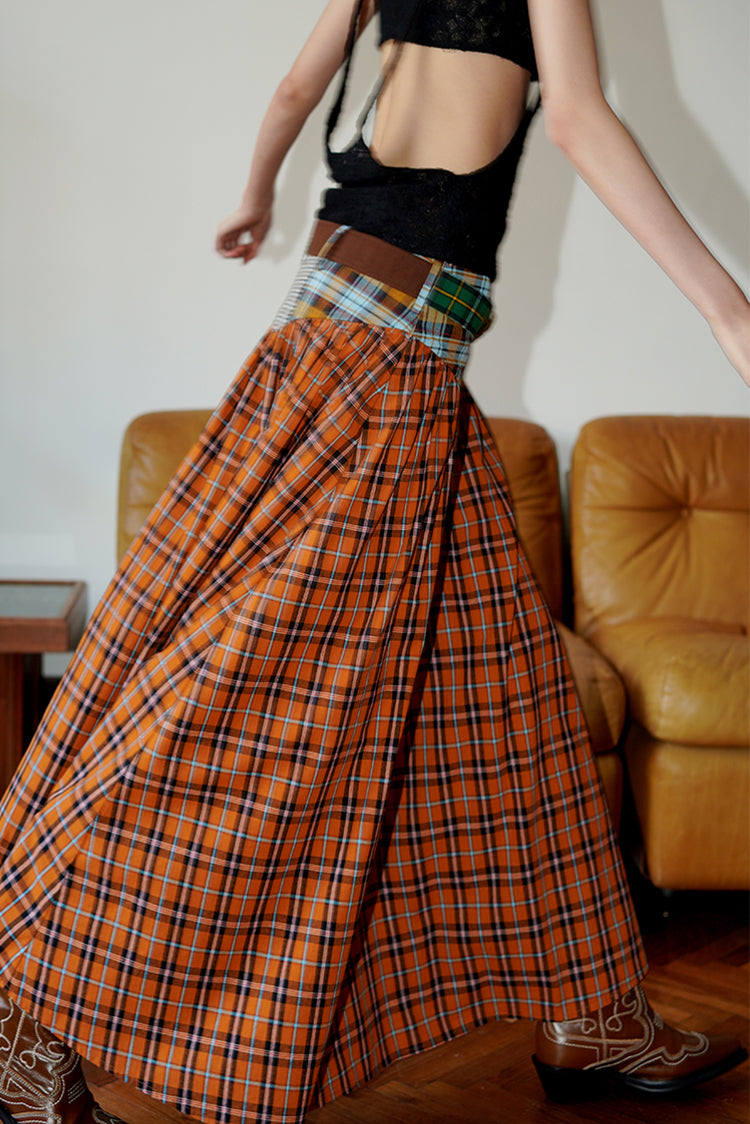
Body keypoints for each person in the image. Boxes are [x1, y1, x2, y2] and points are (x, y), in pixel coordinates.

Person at [0, 1, 748, 1123]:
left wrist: (255, 195)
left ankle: (592, 1012)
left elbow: (295, 92)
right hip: (390, 364)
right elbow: (580, 118)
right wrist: (730, 313)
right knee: (235, 712)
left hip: (329, 333)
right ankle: (26, 1020)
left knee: (513, 698)